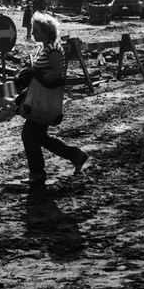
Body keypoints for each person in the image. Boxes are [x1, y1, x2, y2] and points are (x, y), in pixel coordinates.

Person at [19, 12, 88, 190]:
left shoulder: (54, 49)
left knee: (29, 135)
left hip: (45, 100)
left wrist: (36, 74)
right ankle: (75, 155)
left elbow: (56, 74)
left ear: (45, 31)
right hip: (39, 100)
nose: (32, 33)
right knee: (39, 137)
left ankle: (38, 174)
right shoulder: (44, 47)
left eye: (35, 30)